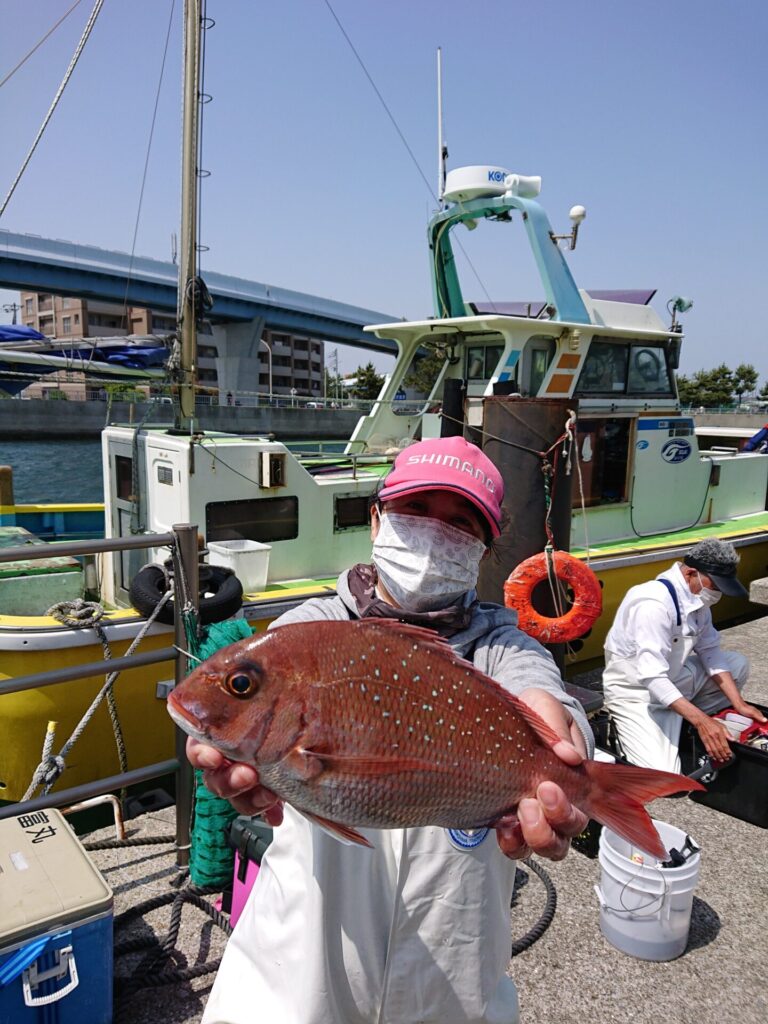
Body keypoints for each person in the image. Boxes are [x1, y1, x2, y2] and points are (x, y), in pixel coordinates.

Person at [188, 435, 594, 1024]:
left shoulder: (507, 649)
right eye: (416, 509)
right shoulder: (310, 632)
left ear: (483, 548)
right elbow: (240, 701)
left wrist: (565, 754)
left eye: (460, 522)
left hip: (449, 985)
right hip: (297, 978)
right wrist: (216, 748)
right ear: (377, 518)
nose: (435, 532)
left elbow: (543, 693)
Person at [602, 539, 766, 773]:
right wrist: (703, 721)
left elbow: (710, 651)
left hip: (674, 677)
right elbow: (652, 677)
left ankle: (683, 719)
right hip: (638, 691)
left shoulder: (697, 598)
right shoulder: (653, 604)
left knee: (737, 665)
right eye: (716, 585)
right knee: (663, 775)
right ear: (691, 573)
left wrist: (740, 704)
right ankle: (630, 727)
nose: (717, 593)